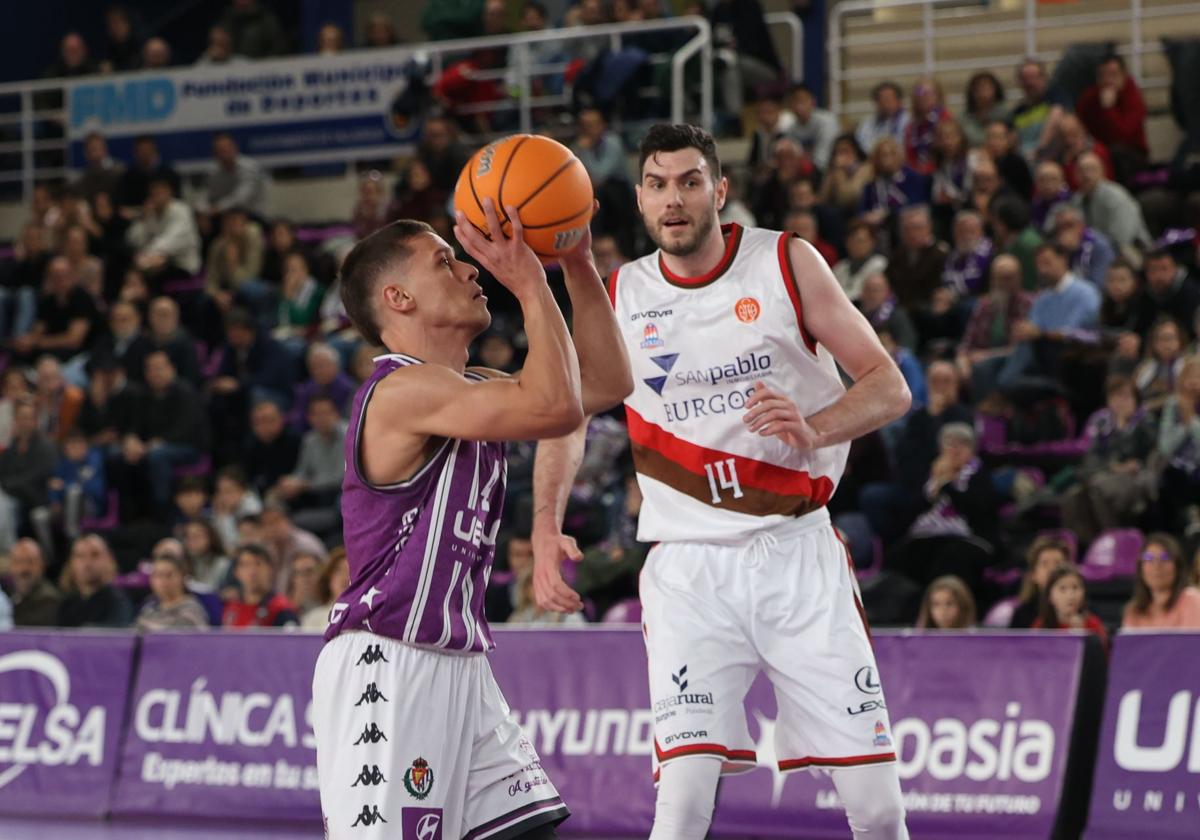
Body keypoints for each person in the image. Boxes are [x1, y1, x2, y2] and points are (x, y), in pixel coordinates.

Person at [531, 124, 911, 840]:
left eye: (689, 181)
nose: (672, 199)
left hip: (795, 556)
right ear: (640, 200)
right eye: (656, 184)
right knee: (679, 808)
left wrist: (817, 426)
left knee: (879, 810)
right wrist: (545, 525)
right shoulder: (620, 293)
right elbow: (567, 416)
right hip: (688, 569)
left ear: (719, 190)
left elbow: (890, 387)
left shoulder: (786, 262)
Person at [312, 189, 633, 835]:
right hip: (390, 662)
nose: (469, 269)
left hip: (463, 664)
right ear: (398, 300)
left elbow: (604, 382)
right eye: (444, 262)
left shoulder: (470, 389)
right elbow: (556, 408)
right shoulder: (401, 391)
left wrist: (576, 263)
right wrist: (529, 283)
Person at [1061, 375, 1156, 543]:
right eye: (1115, 397)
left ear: (1136, 399)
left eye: (1126, 396)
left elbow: (1154, 454)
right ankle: (1086, 547)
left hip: (1134, 479)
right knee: (1074, 496)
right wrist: (1113, 467)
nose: (1121, 402)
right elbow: (1090, 457)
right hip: (1104, 475)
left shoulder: (1145, 422)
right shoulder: (1101, 423)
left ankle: (1114, 542)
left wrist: (1133, 465)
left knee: (1097, 489)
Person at [1075, 54, 1148, 185]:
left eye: (1113, 75)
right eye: (1103, 76)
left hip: (1131, 154)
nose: (1108, 80)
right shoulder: (1089, 98)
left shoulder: (1133, 96)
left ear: (1124, 75)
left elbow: (1122, 136)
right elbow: (1078, 125)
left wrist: (1109, 109)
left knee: (1115, 152)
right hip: (1098, 149)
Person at [0, 401, 56, 554]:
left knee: (3, 503)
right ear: (15, 421)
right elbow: (2, 474)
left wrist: (11, 485)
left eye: (28, 418)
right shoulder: (10, 449)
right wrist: (10, 485)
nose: (24, 422)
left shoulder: (45, 447)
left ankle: (9, 551)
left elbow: (38, 476)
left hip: (36, 499)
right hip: (13, 498)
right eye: (21, 418)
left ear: (35, 421)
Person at [1122, 533, 1200, 629]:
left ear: (1178, 566)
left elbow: (1192, 642)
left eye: (1165, 558)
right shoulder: (1133, 610)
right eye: (1149, 558)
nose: (1157, 566)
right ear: (1140, 568)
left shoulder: (1192, 600)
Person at [57, 534, 134, 628]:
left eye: (95, 555)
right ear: (71, 562)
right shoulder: (66, 604)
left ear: (109, 559)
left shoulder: (117, 602)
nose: (87, 563)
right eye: (80, 556)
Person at [1032, 563, 1108, 652]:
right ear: (1050, 596)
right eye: (1062, 589)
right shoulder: (1040, 626)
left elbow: (1102, 660)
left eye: (1075, 588)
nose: (1070, 596)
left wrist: (1081, 636)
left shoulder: (1094, 625)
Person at [222, 543, 299, 628]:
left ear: (270, 569)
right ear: (236, 572)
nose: (252, 571)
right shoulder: (229, 607)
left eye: (258, 564)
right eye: (246, 565)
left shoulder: (281, 609)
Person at [136, 545, 211, 630]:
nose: (163, 580)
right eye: (158, 575)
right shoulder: (148, 608)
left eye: (169, 575)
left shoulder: (192, 611)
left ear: (182, 577)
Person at [1011, 535, 1074, 629]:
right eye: (1044, 564)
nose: (1052, 569)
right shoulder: (1022, 614)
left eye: (1058, 563)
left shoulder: (1080, 610)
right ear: (1033, 575)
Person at [7, 539, 62, 626]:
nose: (24, 569)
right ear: (10, 566)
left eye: (30, 562)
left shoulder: (49, 600)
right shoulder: (8, 594)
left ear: (42, 564)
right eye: (18, 562)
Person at [301, 547, 349, 630]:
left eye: (350, 571)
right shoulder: (313, 618)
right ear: (329, 578)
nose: (344, 577)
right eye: (339, 570)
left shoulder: (364, 618)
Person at [855, 82, 910, 154]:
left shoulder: (909, 122)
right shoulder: (866, 124)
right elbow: (861, 146)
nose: (885, 103)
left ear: (899, 102)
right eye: (881, 99)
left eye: (889, 99)